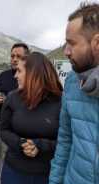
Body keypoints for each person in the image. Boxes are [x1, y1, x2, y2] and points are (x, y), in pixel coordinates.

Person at [49, 2, 99, 184]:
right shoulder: (71, 81)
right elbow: (65, 140)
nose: (66, 51)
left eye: (71, 43)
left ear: (97, 43)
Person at [0, 52, 63, 184]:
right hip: (13, 172)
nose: (15, 75)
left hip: (48, 174)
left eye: (19, 71)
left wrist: (40, 145)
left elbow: (67, 140)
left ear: (34, 73)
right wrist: (21, 143)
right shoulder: (12, 98)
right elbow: (3, 130)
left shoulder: (61, 101)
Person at [0, 43, 29, 184]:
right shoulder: (3, 75)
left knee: (14, 158)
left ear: (26, 58)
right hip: (1, 125)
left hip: (20, 129)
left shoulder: (30, 78)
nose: (14, 59)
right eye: (12, 56)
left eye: (18, 56)